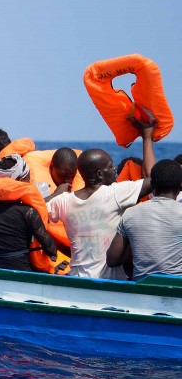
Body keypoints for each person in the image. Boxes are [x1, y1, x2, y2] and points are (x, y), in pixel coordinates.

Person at [48, 118, 156, 279]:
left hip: (77, 277)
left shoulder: (63, 201)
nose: (115, 170)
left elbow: (35, 208)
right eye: (111, 166)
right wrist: (147, 137)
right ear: (99, 174)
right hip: (110, 281)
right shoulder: (115, 193)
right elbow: (155, 178)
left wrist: (57, 193)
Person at [0, 154, 60, 272]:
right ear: (20, 181)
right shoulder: (28, 212)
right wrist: (51, 254)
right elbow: (49, 246)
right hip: (23, 271)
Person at [107, 159, 182, 281]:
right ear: (180, 185)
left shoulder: (131, 213)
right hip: (177, 287)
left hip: (142, 289)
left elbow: (112, 260)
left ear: (151, 185)